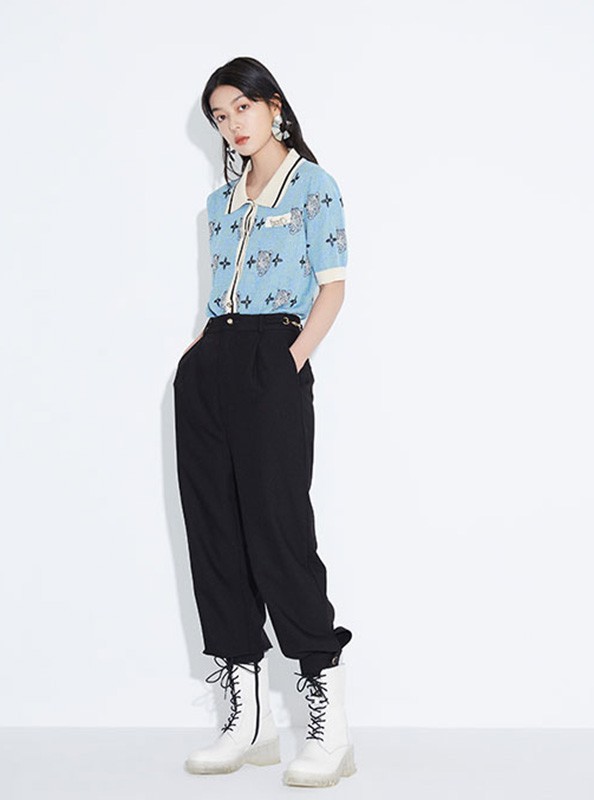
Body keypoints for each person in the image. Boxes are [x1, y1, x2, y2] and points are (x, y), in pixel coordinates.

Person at [173, 56, 356, 788]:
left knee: (279, 534)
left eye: (240, 109)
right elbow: (217, 289)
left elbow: (333, 288)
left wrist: (291, 360)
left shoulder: (315, 187)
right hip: (211, 364)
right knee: (215, 536)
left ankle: (328, 725)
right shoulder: (219, 202)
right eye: (219, 117)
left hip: (272, 359)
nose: (231, 126)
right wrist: (196, 356)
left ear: (273, 105)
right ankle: (246, 723)